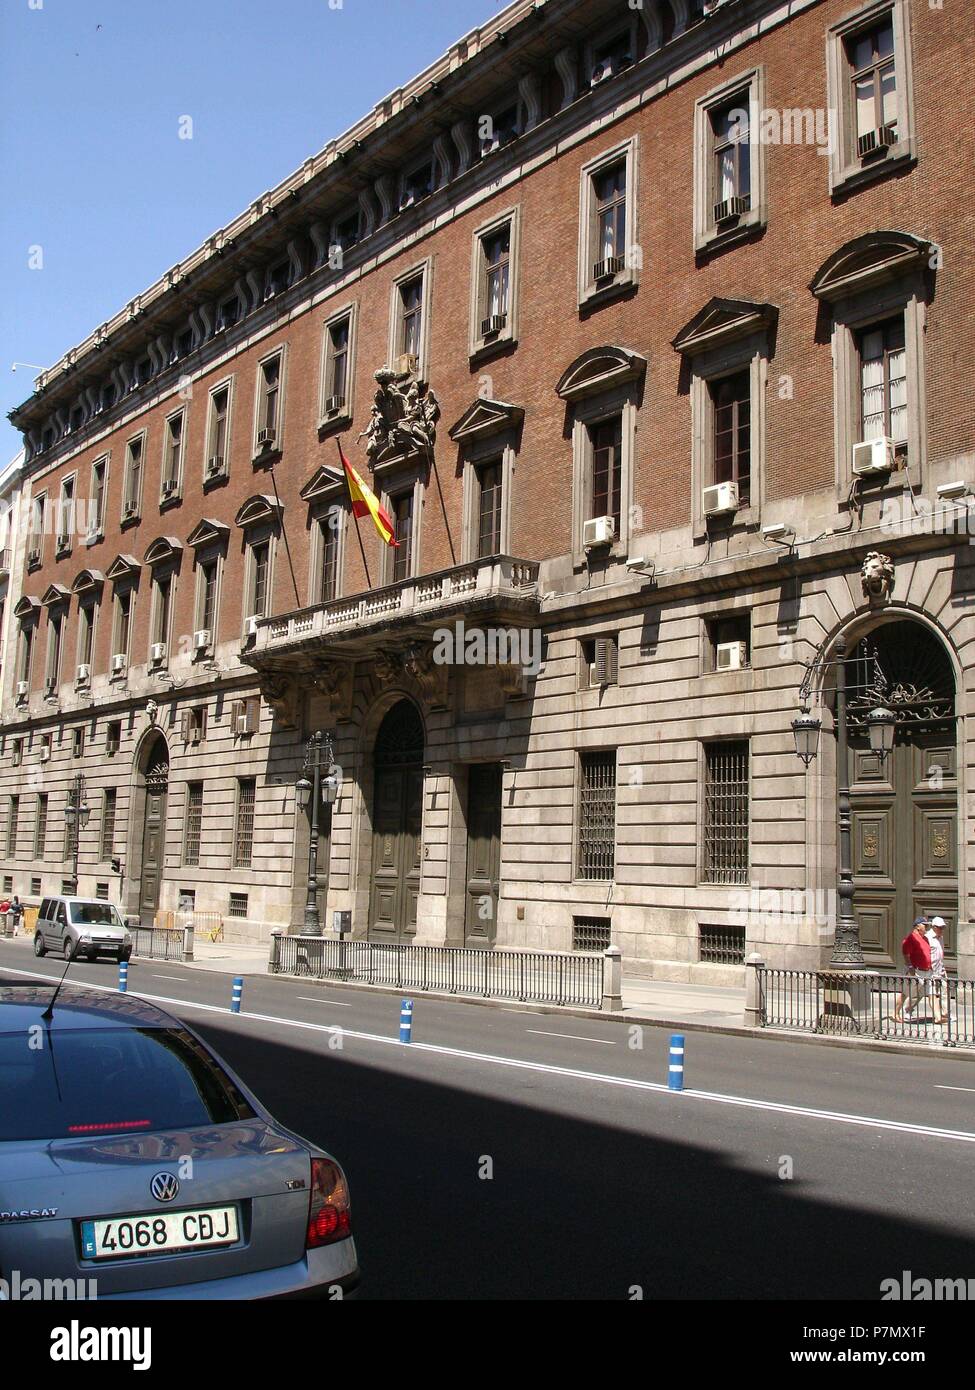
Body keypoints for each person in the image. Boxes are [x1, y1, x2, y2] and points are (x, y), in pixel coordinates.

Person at [892, 916, 931, 1023]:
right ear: (918, 926)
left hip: (926, 971)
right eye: (925, 925)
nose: (927, 927)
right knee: (905, 993)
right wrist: (910, 967)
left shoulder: (925, 938)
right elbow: (906, 954)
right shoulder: (911, 938)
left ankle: (907, 1010)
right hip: (915, 970)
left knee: (921, 993)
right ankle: (895, 1013)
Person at [926, 916, 948, 1029]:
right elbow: (926, 954)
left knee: (944, 991)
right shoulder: (927, 937)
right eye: (940, 927)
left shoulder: (940, 937)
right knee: (930, 994)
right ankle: (907, 1009)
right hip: (931, 971)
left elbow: (940, 953)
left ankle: (944, 1014)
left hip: (940, 969)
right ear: (934, 927)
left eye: (943, 927)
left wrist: (942, 967)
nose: (941, 929)